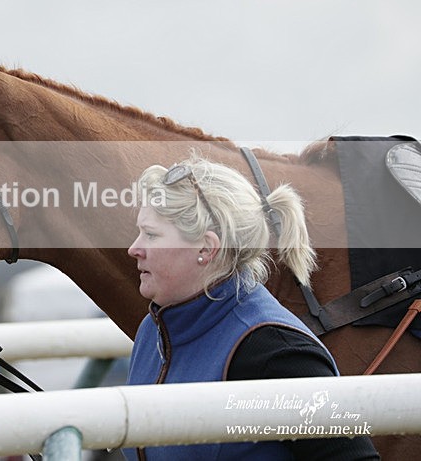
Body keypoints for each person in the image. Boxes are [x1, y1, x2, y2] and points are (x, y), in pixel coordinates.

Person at [124, 155, 379, 460]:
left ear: (206, 247)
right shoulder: (153, 330)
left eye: (151, 234)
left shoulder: (276, 352)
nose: (133, 248)